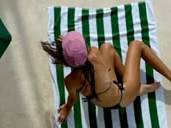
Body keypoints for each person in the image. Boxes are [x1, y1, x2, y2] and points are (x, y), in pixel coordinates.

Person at [41, 31, 171, 123]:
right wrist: (73, 44)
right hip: (122, 97)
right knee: (136, 45)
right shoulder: (94, 53)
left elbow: (72, 98)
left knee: (107, 47)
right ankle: (137, 88)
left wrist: (67, 107)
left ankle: (134, 85)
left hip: (103, 102)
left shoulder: (70, 80)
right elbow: (85, 53)